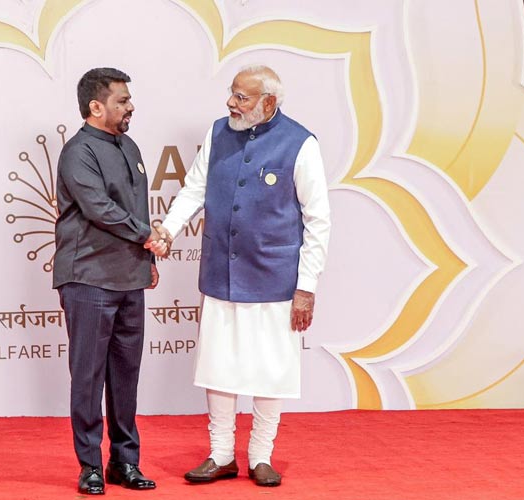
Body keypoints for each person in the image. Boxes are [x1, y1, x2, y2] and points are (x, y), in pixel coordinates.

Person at [147, 65, 330, 487]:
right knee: (218, 366)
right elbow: (194, 189)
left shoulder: (300, 143)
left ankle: (261, 456)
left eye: (242, 97)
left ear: (269, 102)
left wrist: (306, 287)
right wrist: (169, 230)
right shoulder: (218, 133)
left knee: (271, 369)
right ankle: (221, 454)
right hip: (221, 272)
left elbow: (318, 219)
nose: (231, 103)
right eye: (232, 93)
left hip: (275, 279)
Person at [53, 67, 160, 495]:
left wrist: (147, 259)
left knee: (125, 377)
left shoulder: (130, 146)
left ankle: (125, 462)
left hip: (130, 278)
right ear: (96, 106)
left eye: (129, 99)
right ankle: (90, 466)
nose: (131, 106)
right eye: (122, 100)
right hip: (88, 277)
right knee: (88, 376)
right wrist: (147, 236)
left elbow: (137, 208)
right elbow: (99, 208)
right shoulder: (78, 152)